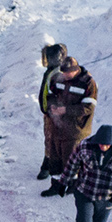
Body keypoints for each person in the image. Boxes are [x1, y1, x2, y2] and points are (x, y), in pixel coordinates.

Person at [40, 55, 98, 196]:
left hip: (75, 130)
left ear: (76, 70)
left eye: (68, 73)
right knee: (55, 158)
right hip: (57, 127)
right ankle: (55, 185)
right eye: (63, 72)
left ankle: (73, 186)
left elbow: (88, 107)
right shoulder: (58, 78)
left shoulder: (88, 83)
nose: (65, 76)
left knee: (70, 160)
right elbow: (51, 95)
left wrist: (65, 110)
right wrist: (53, 107)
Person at [36, 43, 68, 181]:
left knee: (51, 140)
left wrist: (52, 110)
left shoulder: (58, 74)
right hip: (49, 113)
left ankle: (48, 166)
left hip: (54, 115)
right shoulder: (51, 71)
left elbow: (59, 96)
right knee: (50, 139)